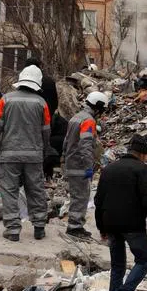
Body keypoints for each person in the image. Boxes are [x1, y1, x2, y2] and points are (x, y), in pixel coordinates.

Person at [95, 135, 147, 291]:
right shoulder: (141, 169)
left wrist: (101, 227)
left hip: (111, 223)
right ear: (142, 154)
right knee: (143, 261)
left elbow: (99, 200)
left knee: (117, 267)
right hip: (133, 224)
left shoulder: (109, 169)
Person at [0, 65, 51, 242]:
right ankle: (39, 226)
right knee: (36, 189)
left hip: (9, 154)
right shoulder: (42, 103)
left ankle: (13, 229)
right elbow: (46, 132)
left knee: (9, 191)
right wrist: (44, 152)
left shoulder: (5, 100)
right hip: (34, 155)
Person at [63, 91, 109, 239]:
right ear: (98, 107)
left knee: (76, 195)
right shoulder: (88, 121)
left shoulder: (75, 118)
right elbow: (85, 145)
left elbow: (66, 142)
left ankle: (75, 225)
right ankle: (75, 227)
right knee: (81, 196)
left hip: (71, 162)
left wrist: (64, 159)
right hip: (80, 165)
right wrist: (89, 166)